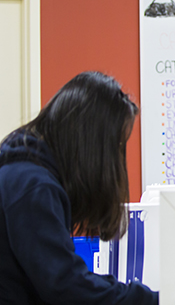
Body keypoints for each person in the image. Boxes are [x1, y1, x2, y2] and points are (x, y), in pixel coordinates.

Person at [0, 71, 158, 304]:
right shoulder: (34, 187)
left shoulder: (23, 172)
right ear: (92, 144)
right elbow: (67, 287)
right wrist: (154, 300)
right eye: (115, 145)